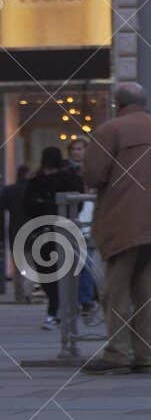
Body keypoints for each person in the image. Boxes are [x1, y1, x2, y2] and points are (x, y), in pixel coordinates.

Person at [80, 83, 151, 375]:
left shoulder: (111, 131)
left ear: (117, 103)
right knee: (148, 293)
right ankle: (146, 355)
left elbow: (93, 175)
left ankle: (117, 352)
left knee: (115, 292)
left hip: (121, 222)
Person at [21, 147, 85, 329]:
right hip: (56, 229)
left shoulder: (42, 180)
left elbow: (28, 206)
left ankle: (57, 308)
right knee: (56, 272)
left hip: (48, 230)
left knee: (52, 272)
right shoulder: (62, 178)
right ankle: (60, 307)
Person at [63, 137, 98, 325]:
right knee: (73, 264)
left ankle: (85, 300)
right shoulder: (67, 172)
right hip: (72, 220)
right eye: (73, 149)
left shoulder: (92, 169)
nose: (77, 152)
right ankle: (78, 300)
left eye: (80, 148)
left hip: (89, 220)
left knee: (85, 264)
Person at [1, 165, 29, 300]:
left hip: (15, 230)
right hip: (33, 230)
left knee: (19, 265)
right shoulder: (33, 191)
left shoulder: (10, 190)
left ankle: (20, 293)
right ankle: (28, 292)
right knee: (32, 262)